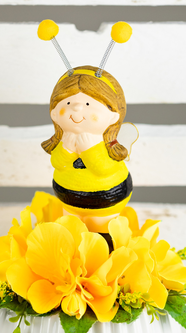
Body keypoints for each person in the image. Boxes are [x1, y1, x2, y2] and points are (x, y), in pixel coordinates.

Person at [42, 65, 133, 238]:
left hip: (106, 200)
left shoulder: (107, 145)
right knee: (72, 232)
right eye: (68, 103)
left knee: (103, 233)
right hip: (68, 198)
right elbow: (57, 163)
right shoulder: (64, 141)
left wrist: (90, 150)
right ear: (54, 113)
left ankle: (104, 245)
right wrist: (67, 150)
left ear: (113, 115)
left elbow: (104, 169)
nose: (77, 108)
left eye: (88, 104)